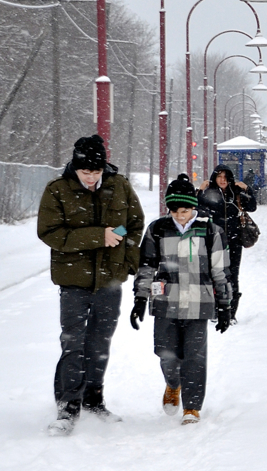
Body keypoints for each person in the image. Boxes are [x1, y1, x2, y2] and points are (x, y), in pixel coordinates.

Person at [38, 135, 145, 435]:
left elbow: (134, 223)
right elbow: (50, 232)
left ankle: (93, 399)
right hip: (74, 281)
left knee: (100, 342)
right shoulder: (58, 190)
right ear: (75, 167)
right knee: (73, 342)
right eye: (86, 172)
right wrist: (99, 235)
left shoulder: (119, 186)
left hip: (110, 280)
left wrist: (123, 253)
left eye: (96, 173)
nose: (91, 178)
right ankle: (67, 406)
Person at [130, 175, 232, 424]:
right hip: (165, 302)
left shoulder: (210, 230)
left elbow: (220, 270)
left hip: (199, 303)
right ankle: (173, 384)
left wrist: (225, 306)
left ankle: (192, 407)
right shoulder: (157, 229)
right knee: (166, 354)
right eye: (174, 210)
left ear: (193, 207)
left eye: (185, 209)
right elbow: (146, 266)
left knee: (195, 356)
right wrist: (140, 299)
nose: (179, 215)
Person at [198, 163, 257, 319]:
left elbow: (252, 207)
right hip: (212, 242)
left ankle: (231, 313)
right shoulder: (208, 194)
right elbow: (194, 209)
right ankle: (216, 310)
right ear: (214, 178)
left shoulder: (236, 193)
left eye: (225, 177)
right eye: (219, 176)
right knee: (213, 275)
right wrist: (199, 190)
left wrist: (247, 189)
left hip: (234, 241)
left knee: (231, 276)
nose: (222, 180)